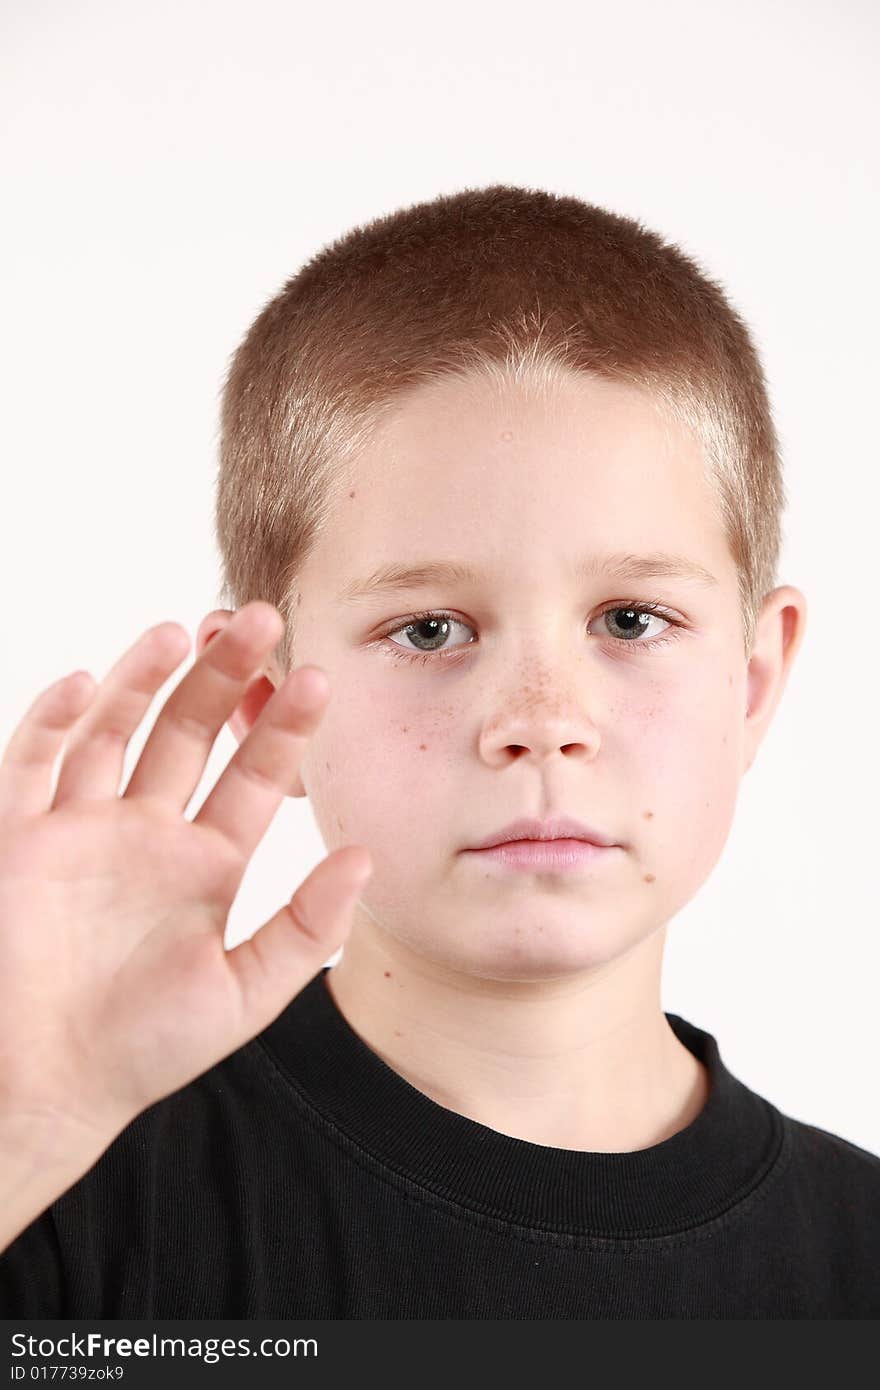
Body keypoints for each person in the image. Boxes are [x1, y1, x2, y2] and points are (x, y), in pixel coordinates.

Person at [1, 184, 877, 1320]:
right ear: (270, 693)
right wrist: (20, 1119)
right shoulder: (69, 1192)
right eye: (428, 630)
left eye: (628, 619)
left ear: (753, 680)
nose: (541, 717)